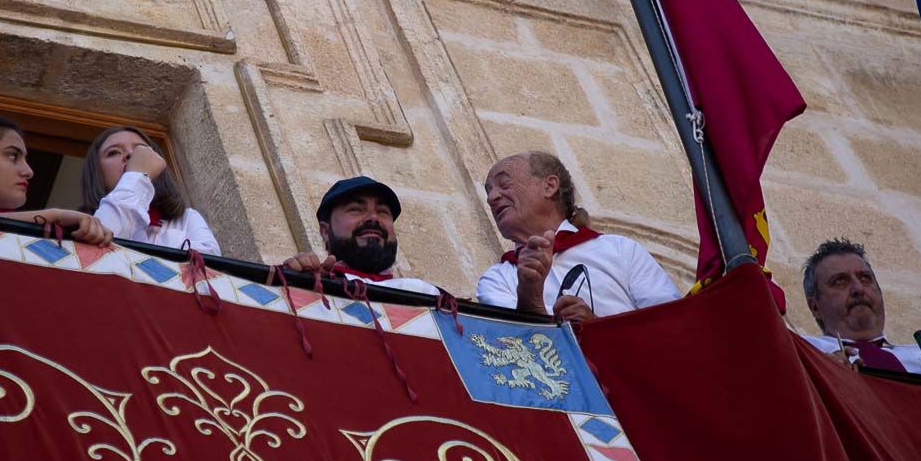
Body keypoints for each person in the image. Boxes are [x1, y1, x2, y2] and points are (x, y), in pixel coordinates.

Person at [477, 151, 680, 320]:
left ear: (549, 186)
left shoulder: (621, 250)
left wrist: (596, 328)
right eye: (489, 191)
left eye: (504, 184)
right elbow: (516, 344)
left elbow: (670, 322)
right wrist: (530, 296)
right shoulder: (497, 280)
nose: (492, 198)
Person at [0, 114, 111, 245]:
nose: (29, 172)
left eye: (25, 159)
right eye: (12, 156)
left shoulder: (31, 240)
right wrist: (55, 215)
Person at [801, 239, 921, 379]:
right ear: (814, 306)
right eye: (840, 281)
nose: (858, 288)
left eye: (866, 278)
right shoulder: (801, 352)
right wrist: (816, 374)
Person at [283, 176, 439, 295]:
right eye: (356, 209)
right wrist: (292, 281)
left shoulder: (431, 298)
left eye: (382, 211)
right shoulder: (301, 288)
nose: (373, 218)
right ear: (325, 231)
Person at [78, 126, 219, 253]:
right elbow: (93, 253)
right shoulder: (80, 223)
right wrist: (136, 176)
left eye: (141, 150)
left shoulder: (187, 218)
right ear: (97, 172)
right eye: (113, 152)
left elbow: (208, 268)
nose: (131, 155)